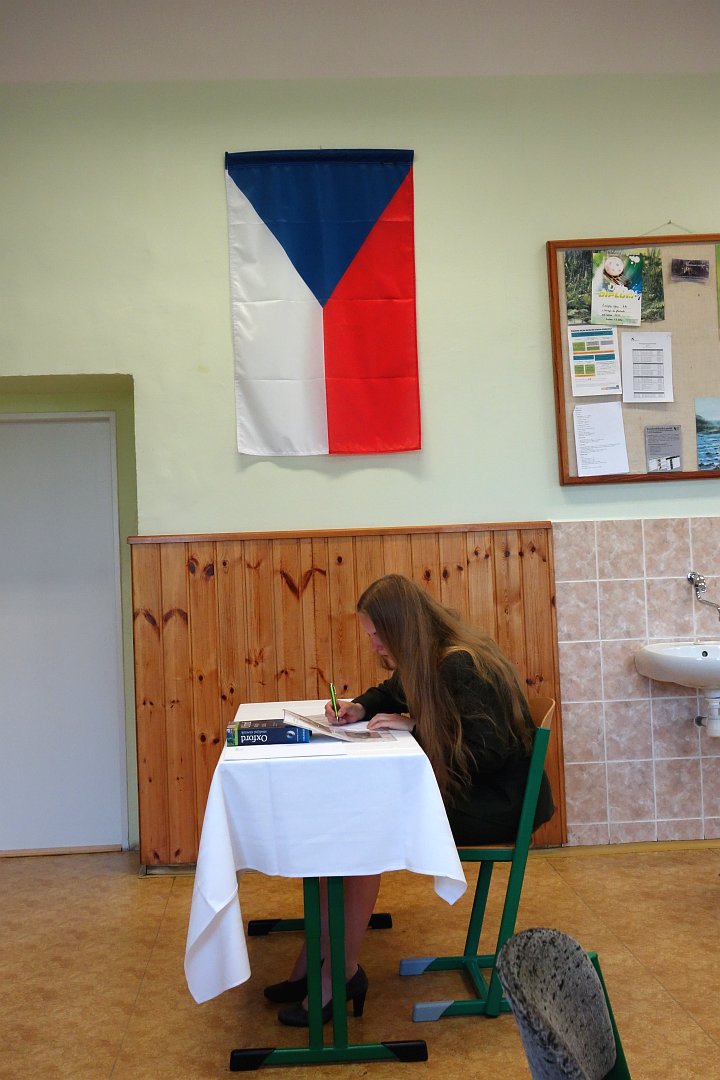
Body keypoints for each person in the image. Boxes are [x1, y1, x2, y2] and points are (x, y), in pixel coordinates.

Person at [267, 573, 554, 1026]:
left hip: (498, 803)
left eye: (378, 634)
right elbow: (392, 691)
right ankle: (318, 961)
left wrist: (416, 727)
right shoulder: (431, 652)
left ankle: (339, 975)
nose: (375, 644)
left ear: (402, 626)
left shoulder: (459, 664)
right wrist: (360, 706)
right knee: (349, 823)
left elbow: (487, 751)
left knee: (361, 830)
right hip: (474, 789)